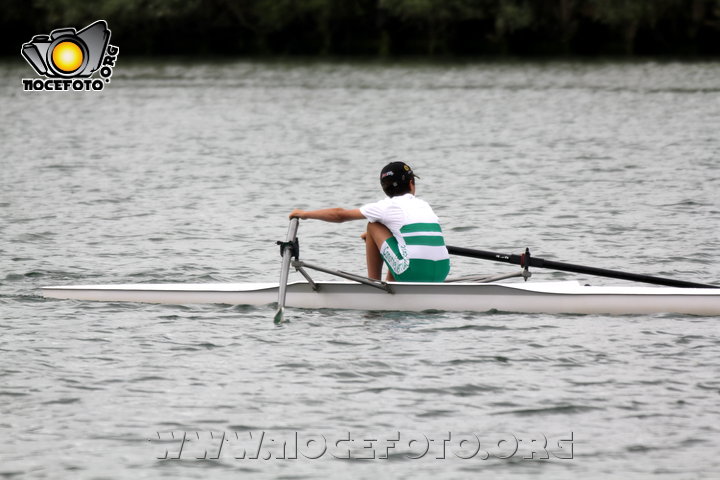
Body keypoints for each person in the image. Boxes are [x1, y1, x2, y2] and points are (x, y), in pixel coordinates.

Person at [288, 162, 450, 282]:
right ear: (411, 184)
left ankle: (373, 286)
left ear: (384, 188)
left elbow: (339, 215)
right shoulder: (424, 205)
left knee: (372, 226)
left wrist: (304, 214)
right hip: (442, 271)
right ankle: (390, 285)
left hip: (413, 271)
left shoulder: (386, 206)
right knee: (398, 242)